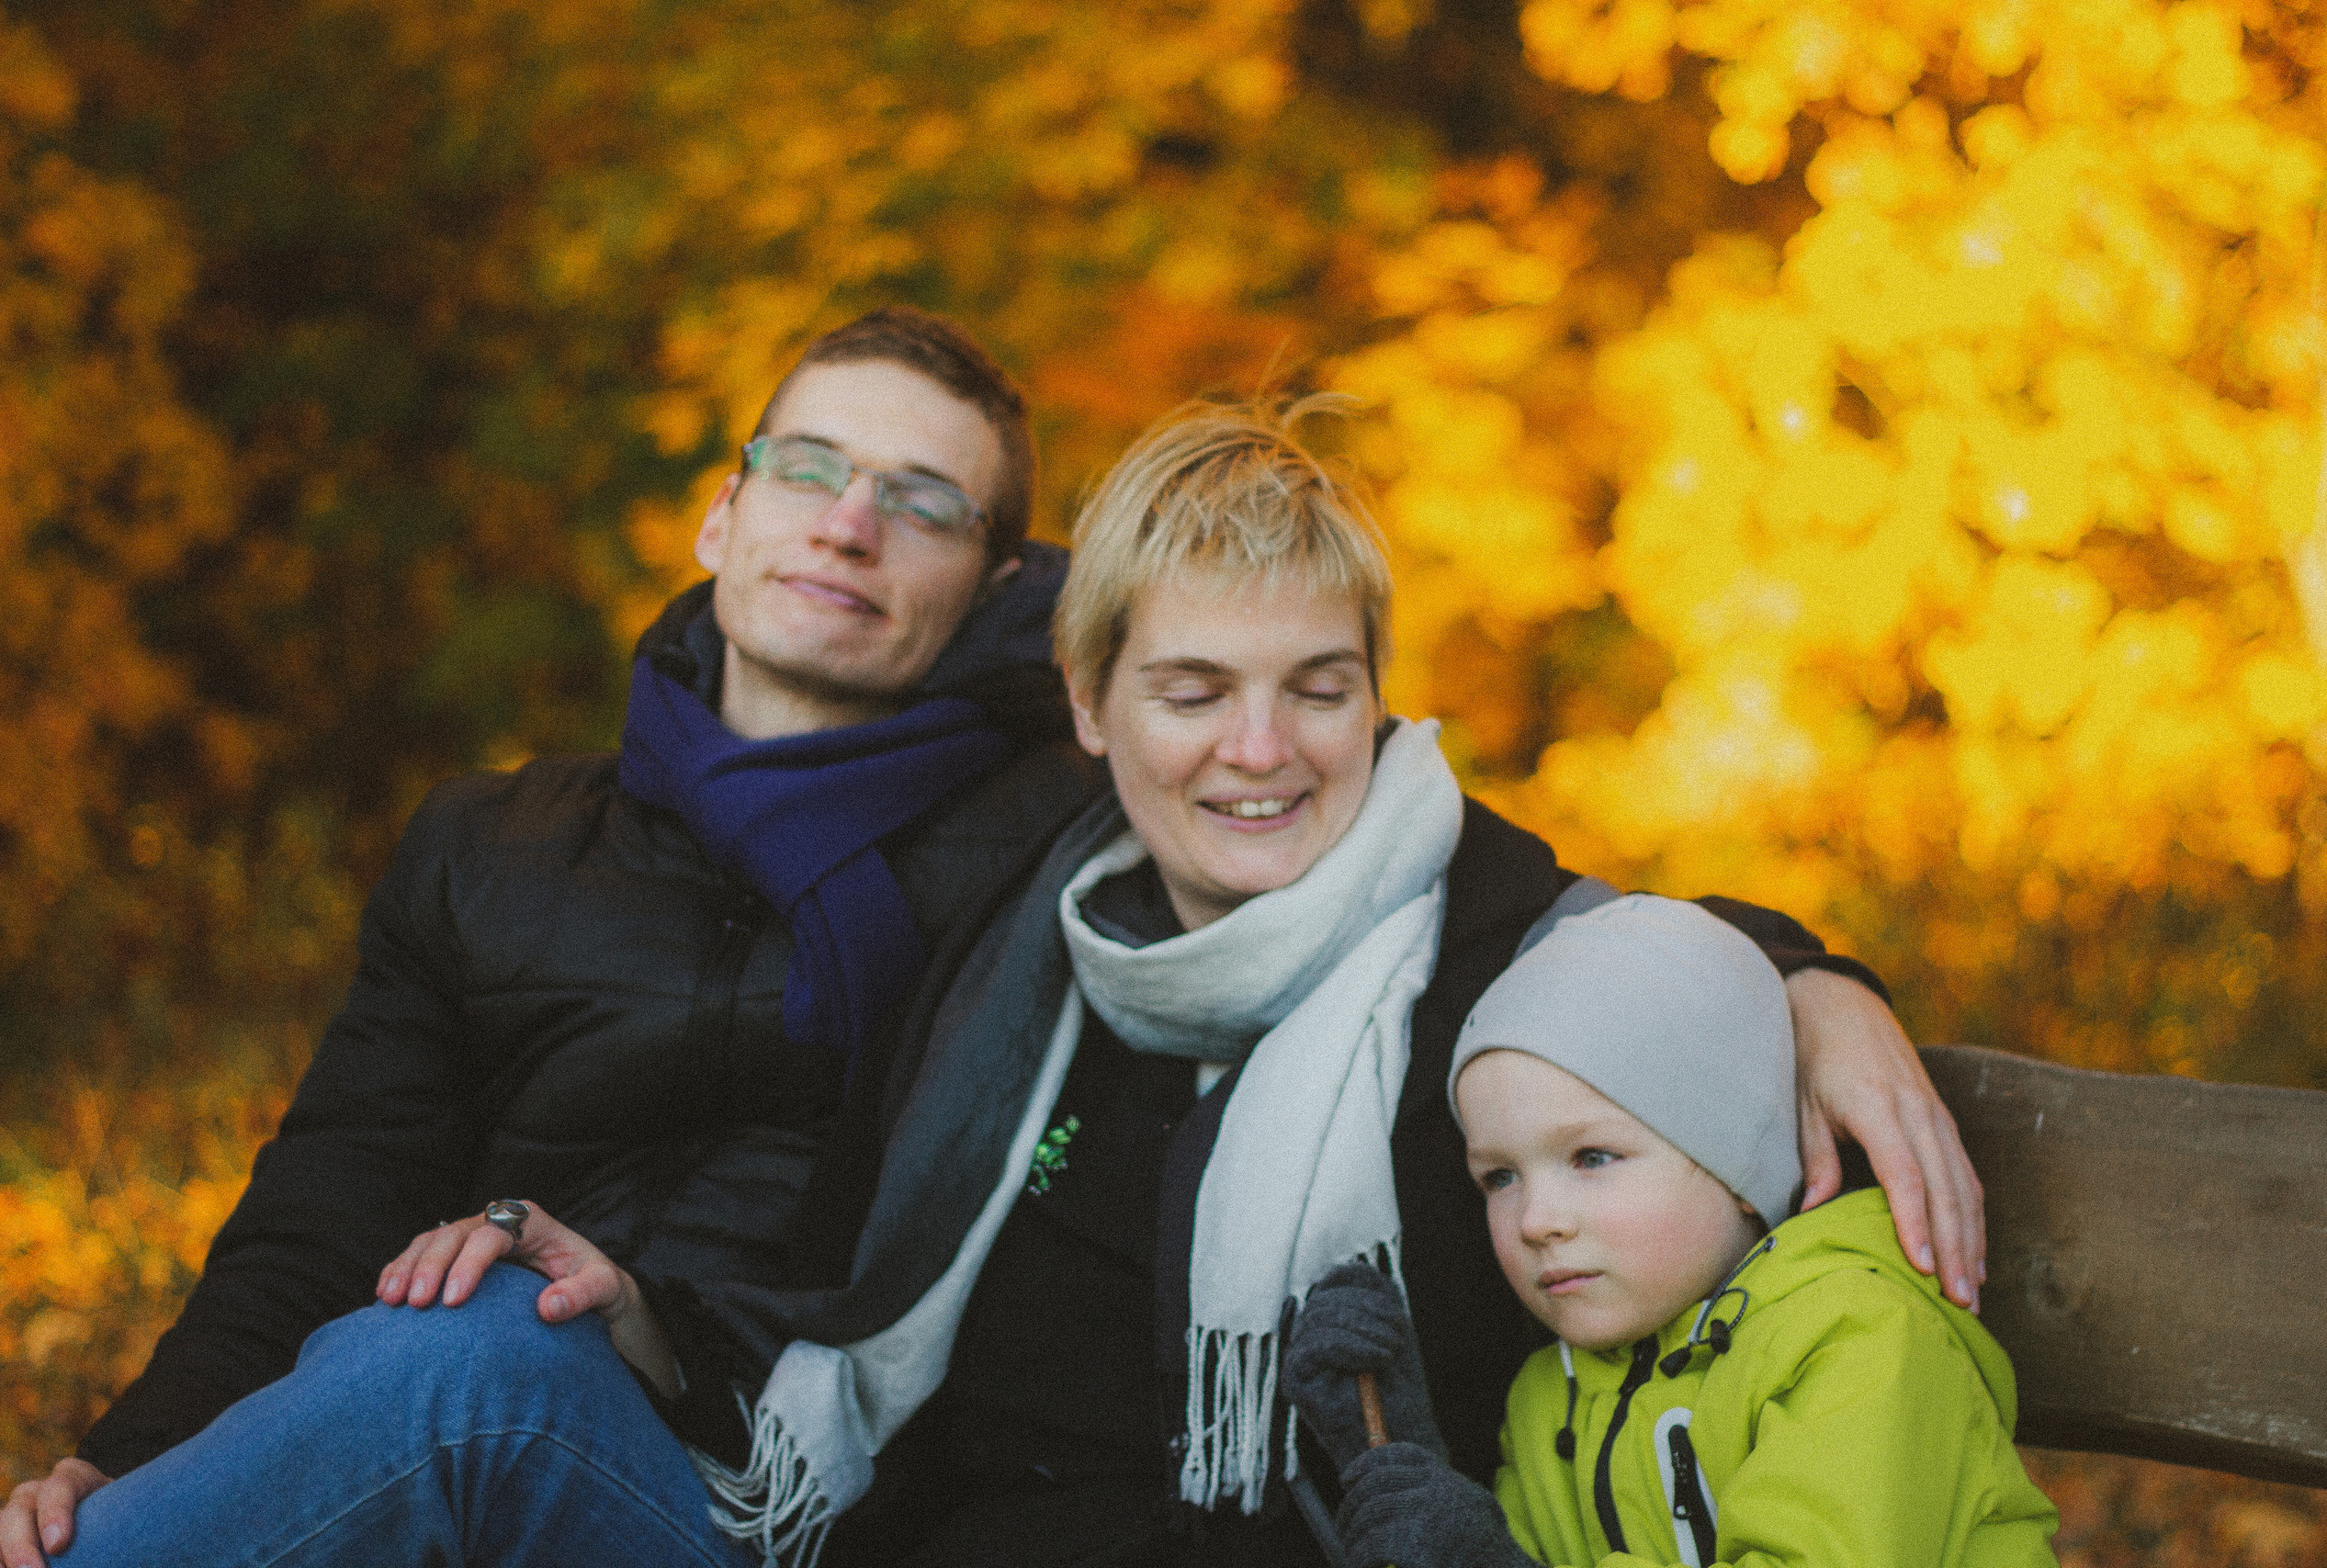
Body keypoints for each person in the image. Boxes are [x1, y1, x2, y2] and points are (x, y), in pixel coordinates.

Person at [596, 399, 1987, 1566]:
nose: (1260, 749)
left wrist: (1807, 980)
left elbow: (1646, 963)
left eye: (1317, 689)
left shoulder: (1505, 968)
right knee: (459, 1398)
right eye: (1192, 693)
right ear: (1090, 706)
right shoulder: (1016, 945)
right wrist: (642, 1319)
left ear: (1377, 694)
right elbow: (838, 1282)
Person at [0, 307, 1101, 1568]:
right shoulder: (490, 841)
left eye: (924, 504)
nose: (847, 523)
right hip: (433, 1442)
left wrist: (648, 1321)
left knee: (481, 1346)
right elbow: (325, 1209)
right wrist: (132, 1461)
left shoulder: (1047, 864)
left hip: (767, 1511)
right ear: (719, 516)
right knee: (427, 1333)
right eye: (806, 466)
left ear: (995, 591)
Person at [1278, 894, 2060, 1568]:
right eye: (1500, 1176)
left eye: (1592, 1156)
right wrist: (1399, 1458)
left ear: (1738, 1165)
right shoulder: (1553, 1396)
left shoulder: (1861, 1343)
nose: (1538, 1220)